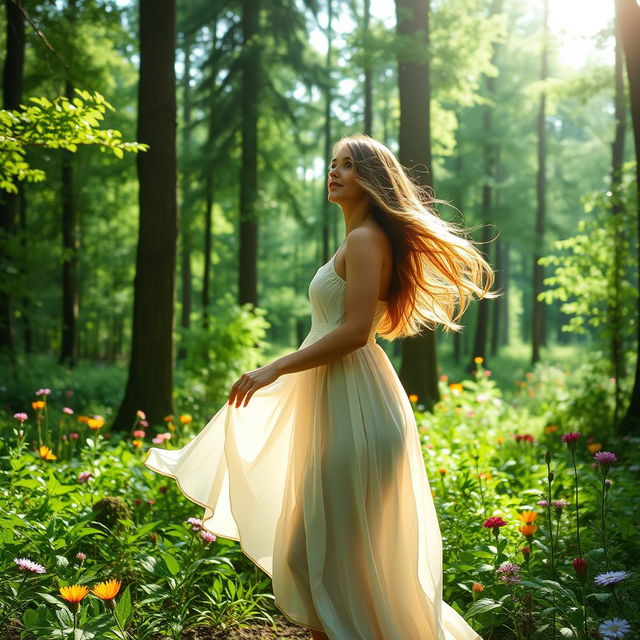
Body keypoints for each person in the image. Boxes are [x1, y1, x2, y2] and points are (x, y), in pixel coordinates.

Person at [144, 134, 495, 639]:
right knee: (322, 558)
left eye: (349, 165)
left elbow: (354, 333)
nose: (335, 171)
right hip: (338, 399)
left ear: (372, 179)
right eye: (333, 163)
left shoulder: (366, 239)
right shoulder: (357, 239)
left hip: (358, 406)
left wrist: (274, 369)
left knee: (318, 557)